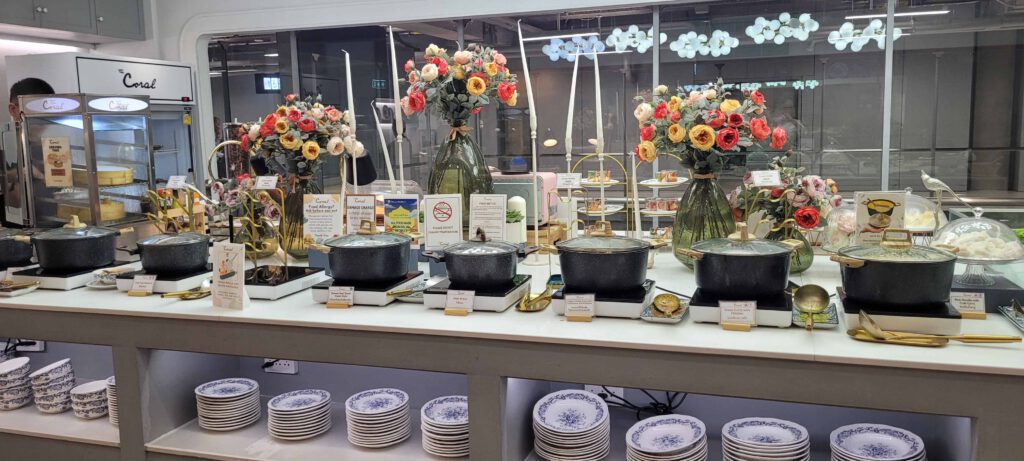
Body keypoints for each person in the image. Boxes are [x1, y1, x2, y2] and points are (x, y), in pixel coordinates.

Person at [3, 78, 55, 226]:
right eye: (36, 111)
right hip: (13, 232)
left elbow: (61, 186)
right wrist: (17, 174)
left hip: (54, 226)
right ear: (13, 109)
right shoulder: (4, 143)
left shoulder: (52, 146)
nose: (43, 120)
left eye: (47, 113)